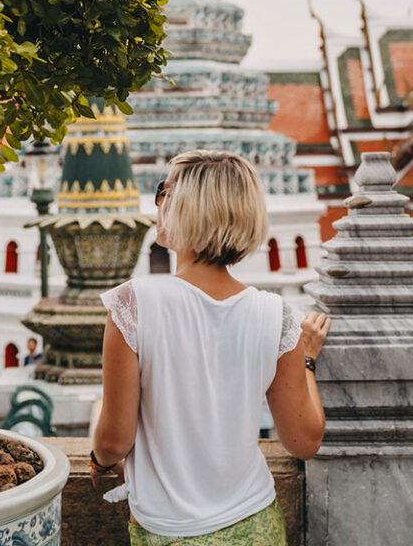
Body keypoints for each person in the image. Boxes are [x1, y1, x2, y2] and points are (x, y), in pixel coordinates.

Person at [91, 150, 330, 545]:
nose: (158, 202)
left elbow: (115, 440)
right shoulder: (278, 316)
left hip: (169, 531)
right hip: (256, 524)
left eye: (163, 191)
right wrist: (306, 359)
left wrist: (97, 461)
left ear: (184, 206)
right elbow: (304, 441)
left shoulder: (133, 305)